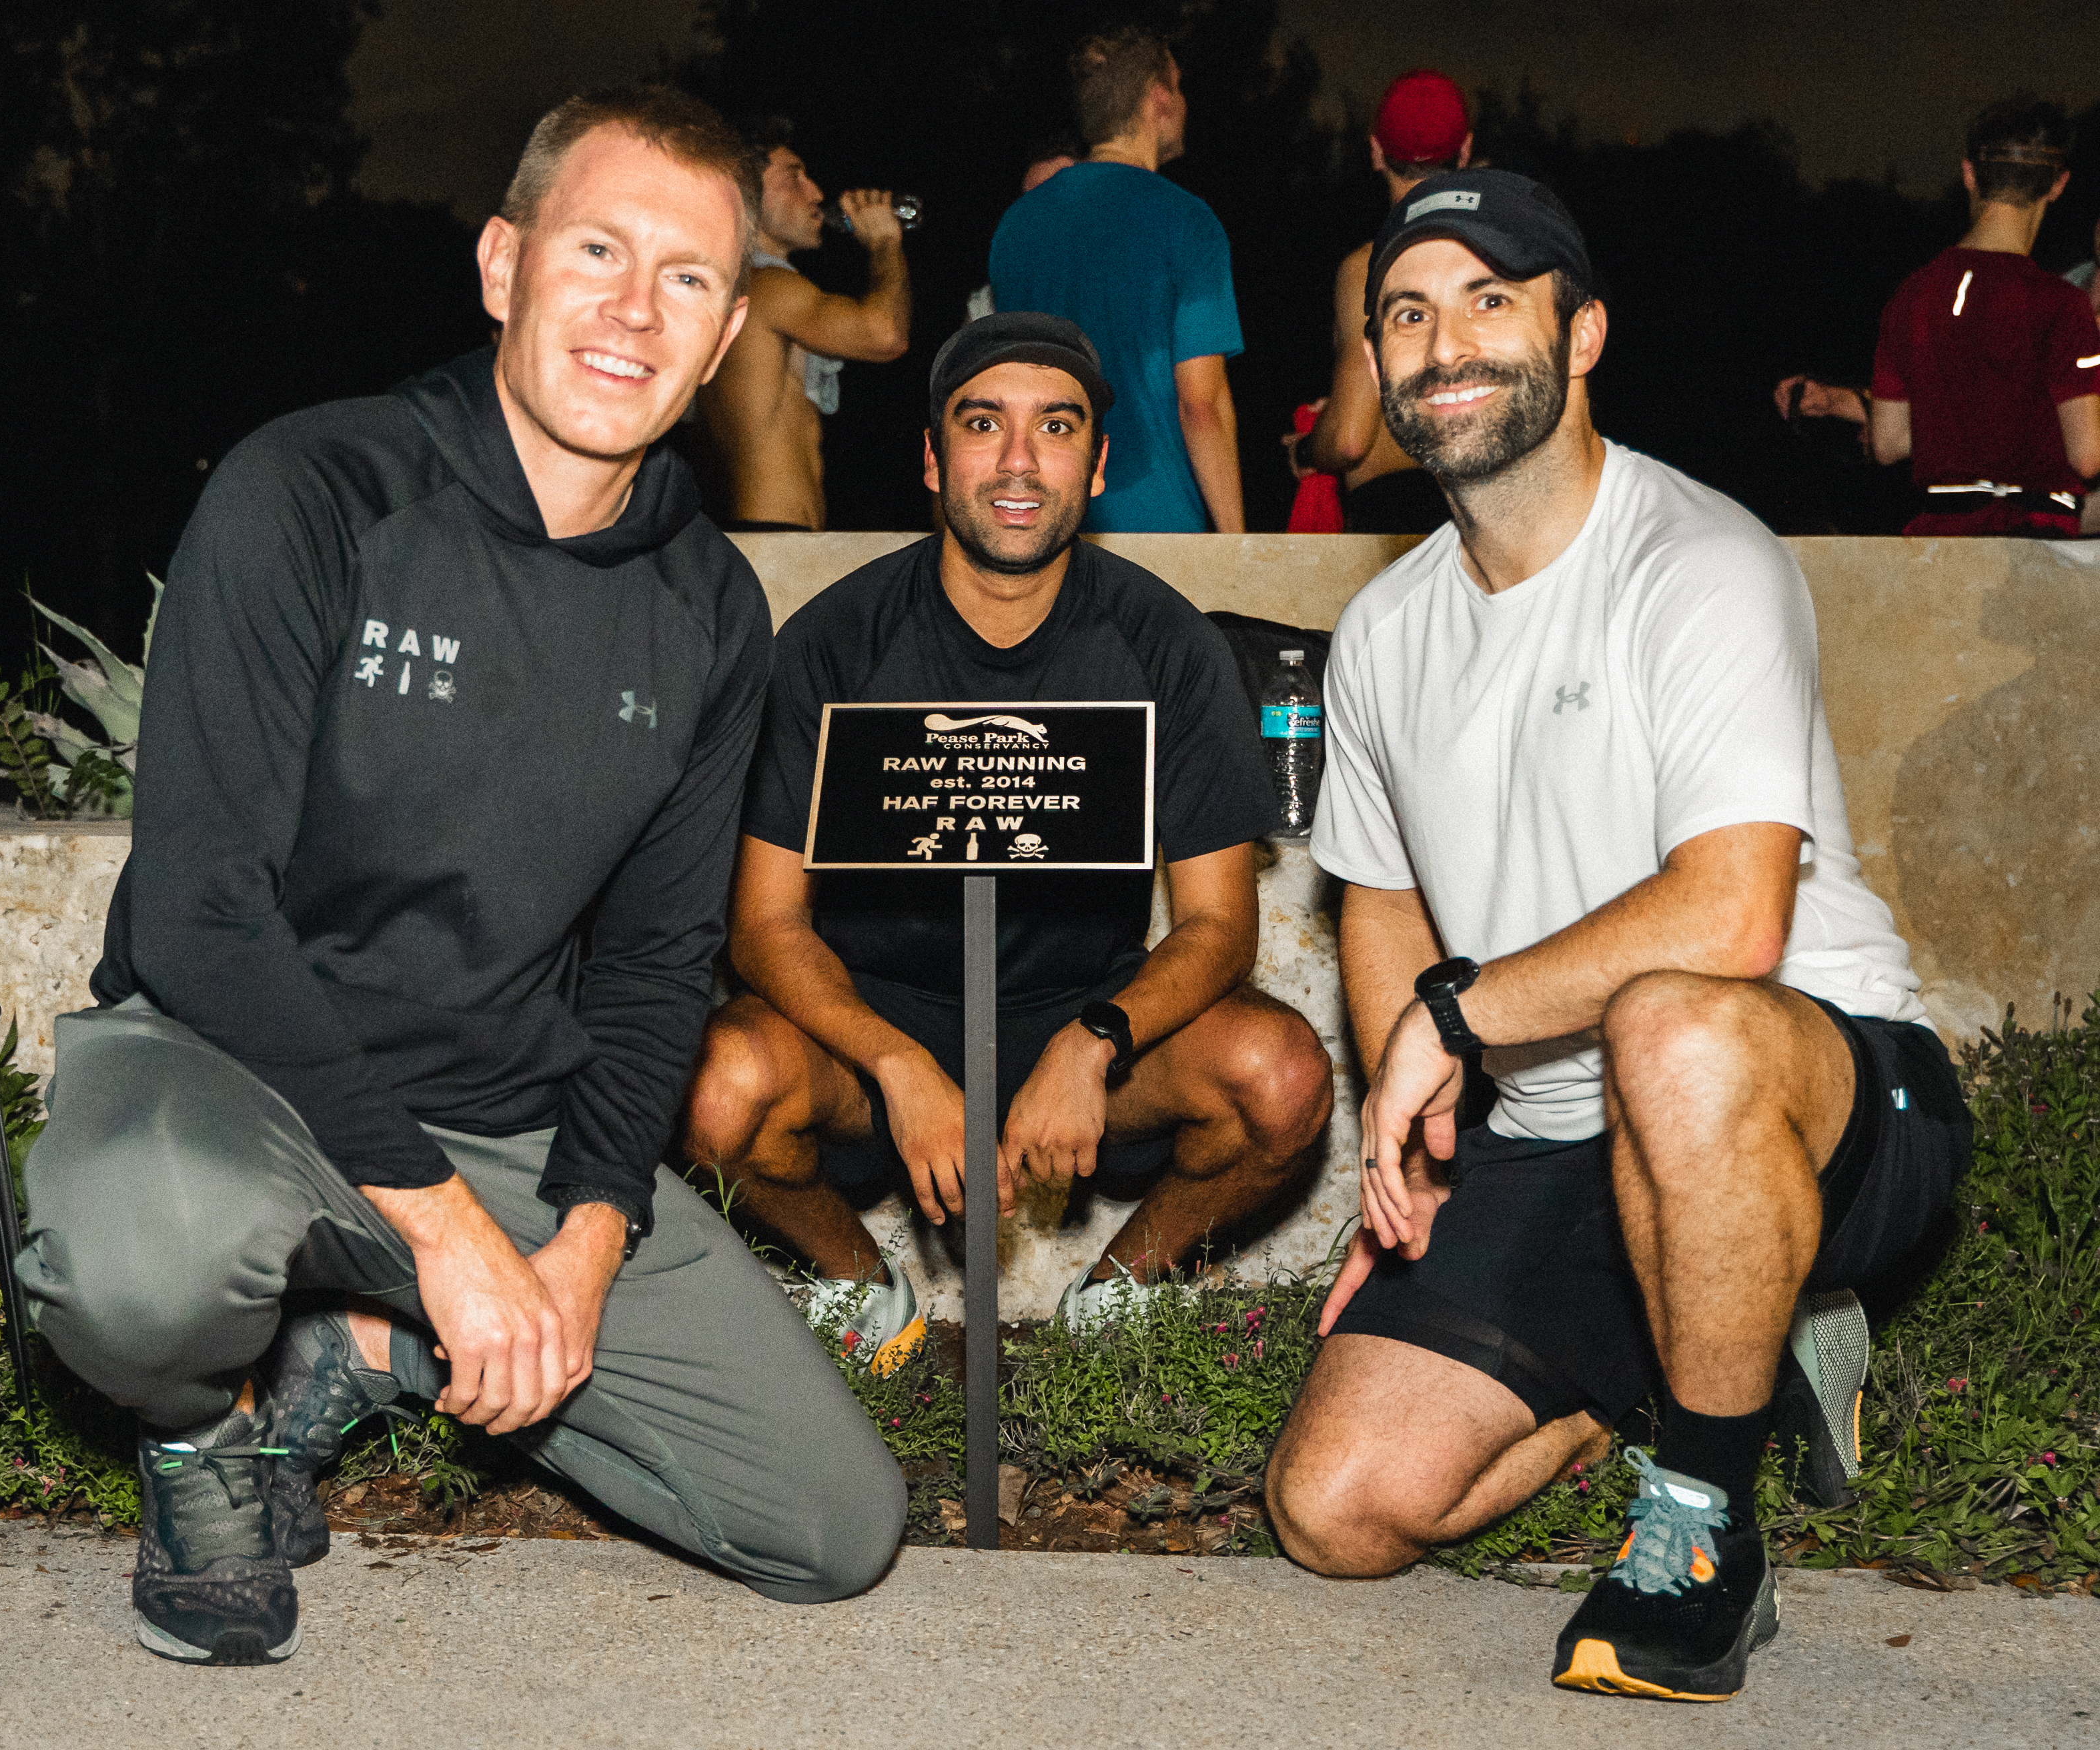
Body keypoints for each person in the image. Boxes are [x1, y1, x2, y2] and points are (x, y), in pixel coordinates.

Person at [13, 87, 906, 1668]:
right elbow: (205, 909)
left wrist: (578, 1240)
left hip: (498, 1116)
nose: (635, 310)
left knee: (831, 1527)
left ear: (722, 341)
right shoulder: (313, 493)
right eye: (598, 250)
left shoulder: (711, 611)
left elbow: (651, 974)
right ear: (503, 265)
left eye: (689, 279)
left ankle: (354, 1348)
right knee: (136, 1259)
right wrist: (452, 1242)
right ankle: (209, 1430)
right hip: (232, 1076)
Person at [1264, 170, 1968, 1703]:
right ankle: (1702, 1353)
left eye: (1488, 299)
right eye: (1405, 311)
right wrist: (1429, 1137)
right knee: (1336, 1502)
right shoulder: (1383, 633)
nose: (1440, 341)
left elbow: (1733, 914)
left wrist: (1451, 1024)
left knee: (1674, 1016)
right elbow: (1380, 893)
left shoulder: (1696, 563)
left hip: (1826, 1087)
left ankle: (1704, 1522)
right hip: (1568, 1129)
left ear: (1581, 333)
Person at [682, 312, 1332, 1364]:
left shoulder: (1168, 646)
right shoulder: (832, 645)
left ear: (1100, 461)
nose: (1020, 461)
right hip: (871, 1024)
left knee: (1281, 1074)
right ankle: (870, 1301)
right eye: (985, 424)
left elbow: (1217, 928)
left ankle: (1110, 1309)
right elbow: (761, 928)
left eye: (1057, 427)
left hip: (1082, 1014)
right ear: (934, 458)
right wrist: (897, 1064)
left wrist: (1094, 1040)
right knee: (718, 1089)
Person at [1775, 97, 2100, 537]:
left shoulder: (1912, 295)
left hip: (1940, 545)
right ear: (2058, 184)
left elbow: (1890, 444)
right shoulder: (2061, 303)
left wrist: (1842, 402)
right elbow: (2087, 454)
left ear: (1969, 174)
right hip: (2032, 550)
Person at [989, 25, 1246, 533]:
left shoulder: (1015, 227)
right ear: (1159, 97)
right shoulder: (1187, 222)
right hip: (1159, 528)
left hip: (1049, 525)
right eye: (1179, 86)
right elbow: (1202, 402)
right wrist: (1235, 544)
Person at [696, 115, 911, 532]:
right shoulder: (765, 287)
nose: (816, 192)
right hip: (775, 536)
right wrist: (885, 241)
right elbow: (885, 334)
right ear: (746, 195)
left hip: (762, 536)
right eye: (794, 177)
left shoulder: (732, 290)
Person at [1283, 70, 1470, 536]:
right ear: (1465, 152)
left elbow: (1347, 440)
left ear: (1375, 152)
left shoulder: (1371, 268)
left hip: (1394, 519)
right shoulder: (1507, 265)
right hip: (1491, 517)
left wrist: (1306, 450)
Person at [966, 131, 1084, 326]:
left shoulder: (1130, 273)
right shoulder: (998, 297)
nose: (1039, 215)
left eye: (1055, 196)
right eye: (1029, 203)